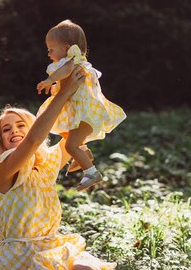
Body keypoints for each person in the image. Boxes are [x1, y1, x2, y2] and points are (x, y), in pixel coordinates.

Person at [0, 69, 123, 270]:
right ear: (0, 140)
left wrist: (76, 85)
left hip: (52, 250)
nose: (14, 131)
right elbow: (33, 140)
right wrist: (64, 93)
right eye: (6, 130)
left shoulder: (46, 163)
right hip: (18, 261)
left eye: (20, 125)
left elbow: (75, 134)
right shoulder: (2, 170)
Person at [36, 19, 126, 192]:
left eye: (51, 49)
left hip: (87, 115)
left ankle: (91, 172)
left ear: (67, 48)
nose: (48, 54)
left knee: (70, 145)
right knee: (64, 132)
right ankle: (84, 152)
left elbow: (65, 70)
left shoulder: (73, 61)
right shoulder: (79, 62)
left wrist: (50, 79)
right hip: (87, 114)